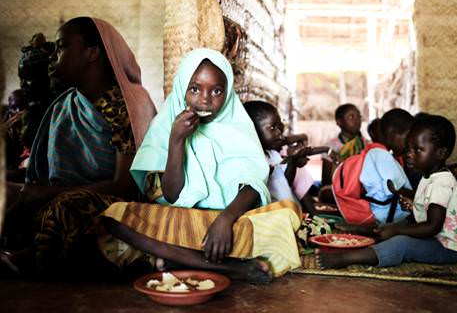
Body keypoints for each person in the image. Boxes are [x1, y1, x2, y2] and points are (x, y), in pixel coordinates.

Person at [98, 49, 302, 283]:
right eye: (195, 89)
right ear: (182, 88)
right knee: (114, 217)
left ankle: (178, 259)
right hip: (179, 219)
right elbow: (171, 195)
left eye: (216, 91)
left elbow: (254, 185)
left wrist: (225, 220)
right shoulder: (165, 126)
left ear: (227, 94)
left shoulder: (238, 128)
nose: (205, 99)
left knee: (287, 214)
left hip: (228, 223)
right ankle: (231, 268)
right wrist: (176, 141)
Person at [2, 17, 156, 274]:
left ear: (91, 53)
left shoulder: (126, 105)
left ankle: (30, 260)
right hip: (60, 194)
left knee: (68, 205)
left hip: (114, 204)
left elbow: (126, 185)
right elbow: (46, 178)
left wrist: (48, 194)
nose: (54, 57)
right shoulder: (66, 104)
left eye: (62, 47)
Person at [319, 114, 457, 268]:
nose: (409, 153)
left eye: (418, 149)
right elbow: (428, 206)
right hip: (436, 238)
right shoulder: (430, 177)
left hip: (447, 247)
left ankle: (345, 258)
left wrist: (398, 230)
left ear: (441, 153)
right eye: (410, 148)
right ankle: (364, 232)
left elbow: (433, 226)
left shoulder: (442, 182)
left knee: (401, 242)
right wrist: (413, 206)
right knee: (394, 227)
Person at [244, 100, 317, 215]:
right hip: (275, 219)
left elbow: (285, 180)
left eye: (278, 126)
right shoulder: (252, 161)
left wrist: (292, 160)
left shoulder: (272, 154)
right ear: (253, 129)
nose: (279, 132)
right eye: (272, 128)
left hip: (291, 213)